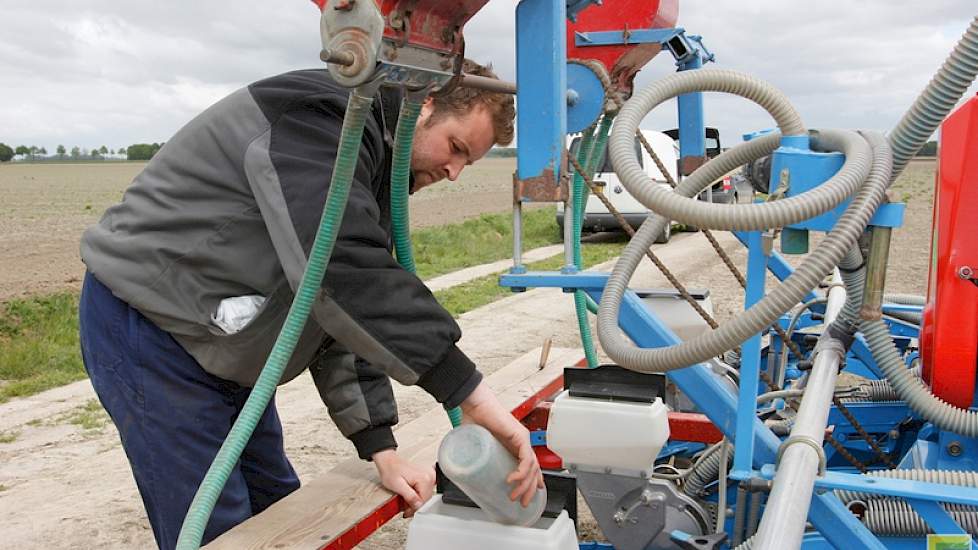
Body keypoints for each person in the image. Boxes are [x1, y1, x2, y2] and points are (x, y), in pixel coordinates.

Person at [78, 59, 542, 549]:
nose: (453, 173)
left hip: (221, 343)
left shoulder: (372, 160)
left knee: (277, 507)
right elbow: (341, 272)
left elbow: (344, 318)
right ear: (423, 104)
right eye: (456, 149)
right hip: (153, 329)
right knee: (221, 527)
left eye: (466, 163)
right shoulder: (319, 119)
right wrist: (468, 392)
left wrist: (378, 447)